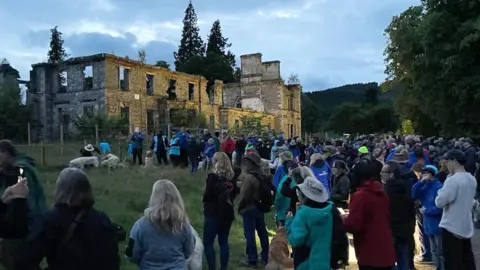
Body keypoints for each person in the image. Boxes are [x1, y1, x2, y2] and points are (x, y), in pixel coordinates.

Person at [15, 168, 119, 270]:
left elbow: (26, 260)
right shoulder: (102, 219)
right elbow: (112, 260)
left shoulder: (49, 220)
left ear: (60, 189)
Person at [126, 180, 195, 269]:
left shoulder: (140, 225)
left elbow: (131, 255)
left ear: (153, 197)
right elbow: (189, 250)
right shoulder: (183, 224)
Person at [0, 140, 46, 270]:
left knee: (12, 255)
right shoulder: (16, 168)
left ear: (5, 153)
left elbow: (19, 194)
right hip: (28, 219)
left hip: (28, 221)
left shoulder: (19, 170)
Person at [343, 158, 396, 270]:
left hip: (369, 252)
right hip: (386, 250)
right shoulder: (382, 193)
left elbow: (353, 225)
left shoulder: (361, 196)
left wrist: (343, 219)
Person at [435, 150, 477, 270]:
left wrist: (443, 187)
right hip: (465, 224)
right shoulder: (471, 178)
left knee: (452, 261)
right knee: (467, 259)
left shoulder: (453, 180)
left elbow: (439, 201)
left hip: (451, 225)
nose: (446, 165)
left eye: (447, 162)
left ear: (454, 162)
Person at [286, 176, 333, 270]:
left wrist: (289, 221)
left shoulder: (304, 214)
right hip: (326, 262)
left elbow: (295, 241)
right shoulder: (331, 210)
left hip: (306, 263)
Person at [202, 152, 238, 270]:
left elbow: (207, 196)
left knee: (208, 243)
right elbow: (234, 194)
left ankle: (212, 267)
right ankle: (223, 268)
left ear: (216, 162)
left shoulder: (212, 177)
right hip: (227, 212)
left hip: (213, 212)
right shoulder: (232, 178)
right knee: (223, 242)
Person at [381, 161, 416, 270]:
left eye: (384, 172)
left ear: (392, 174)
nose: (381, 174)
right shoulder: (407, 187)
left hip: (392, 230)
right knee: (405, 259)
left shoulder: (386, 190)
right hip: (406, 230)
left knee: (390, 262)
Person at [237, 153, 270, 267]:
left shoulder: (250, 177)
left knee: (249, 234)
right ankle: (265, 257)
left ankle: (251, 259)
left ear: (251, 164)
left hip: (249, 207)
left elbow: (244, 195)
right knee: (262, 233)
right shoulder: (262, 175)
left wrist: (239, 207)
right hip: (260, 207)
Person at [412, 165, 444, 270]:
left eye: (425, 173)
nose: (423, 175)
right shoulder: (425, 186)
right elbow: (413, 194)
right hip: (428, 222)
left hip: (437, 222)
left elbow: (441, 206)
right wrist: (420, 182)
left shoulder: (439, 186)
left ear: (431, 174)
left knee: (440, 250)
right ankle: (437, 267)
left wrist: (427, 211)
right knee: (434, 249)